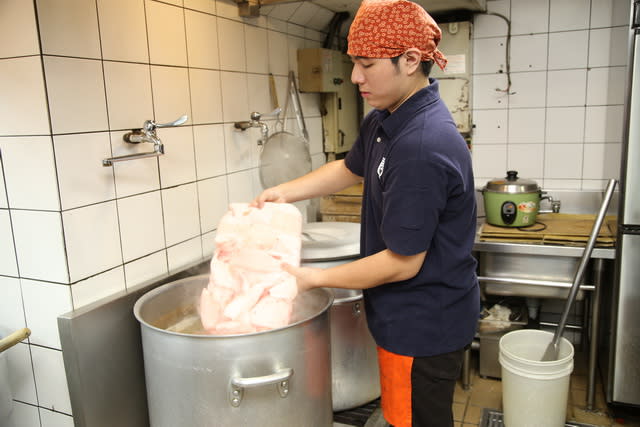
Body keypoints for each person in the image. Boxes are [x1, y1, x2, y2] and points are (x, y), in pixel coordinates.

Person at [253, 0, 479, 425]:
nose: (355, 77)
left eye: (367, 64)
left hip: (424, 325)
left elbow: (402, 262)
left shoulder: (420, 146)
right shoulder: (386, 118)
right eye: (354, 63)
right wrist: (283, 192)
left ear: (411, 60)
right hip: (404, 317)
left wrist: (313, 279)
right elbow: (348, 168)